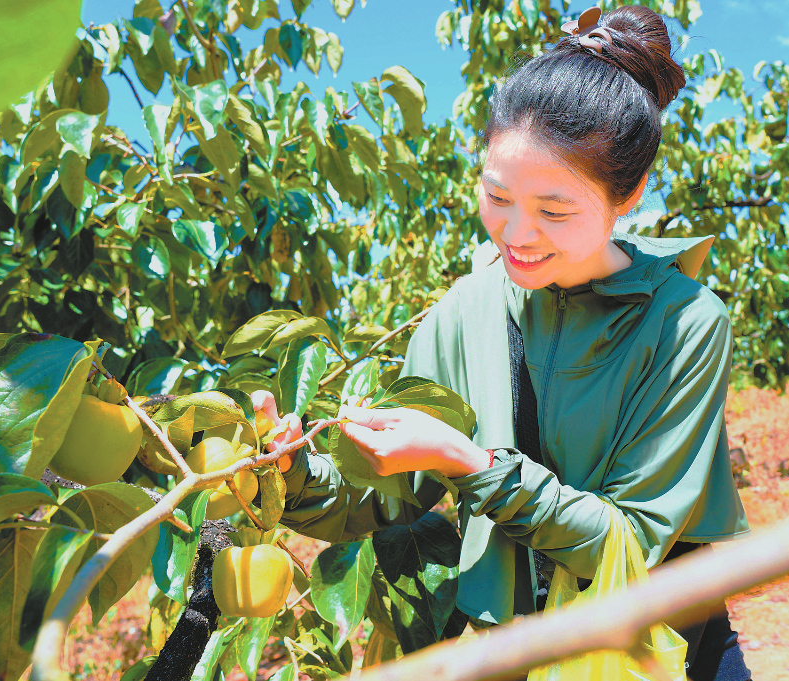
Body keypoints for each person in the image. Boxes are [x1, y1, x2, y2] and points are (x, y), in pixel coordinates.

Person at [254, 5, 752, 679]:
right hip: (517, 650)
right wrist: (290, 472)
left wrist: (469, 461)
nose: (516, 234)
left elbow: (628, 543)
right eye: (497, 197)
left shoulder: (684, 323)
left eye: (554, 210)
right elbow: (385, 496)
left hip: (659, 646)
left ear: (629, 193)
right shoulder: (465, 312)